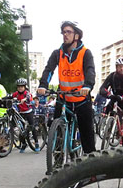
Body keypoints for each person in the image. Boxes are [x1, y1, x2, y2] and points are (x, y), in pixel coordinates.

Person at [37, 21, 96, 154]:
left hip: (81, 99)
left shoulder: (85, 53)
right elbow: (49, 70)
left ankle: (92, 169)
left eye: (68, 32)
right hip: (63, 98)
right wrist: (43, 85)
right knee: (58, 133)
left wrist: (88, 85)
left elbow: (90, 71)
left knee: (87, 136)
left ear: (76, 35)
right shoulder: (57, 53)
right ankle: (57, 166)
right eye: (63, 32)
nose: (65, 35)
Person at [99, 57, 123, 146]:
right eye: (119, 66)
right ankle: (109, 131)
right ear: (116, 67)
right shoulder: (112, 76)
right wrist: (108, 94)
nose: (121, 69)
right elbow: (102, 88)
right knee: (109, 111)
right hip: (116, 98)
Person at [12, 78, 39, 153]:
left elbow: (29, 98)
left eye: (22, 86)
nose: (20, 88)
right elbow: (10, 96)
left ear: (24, 87)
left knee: (32, 126)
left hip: (28, 112)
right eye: (19, 87)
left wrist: (24, 99)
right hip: (21, 113)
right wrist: (3, 98)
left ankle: (36, 142)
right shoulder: (16, 94)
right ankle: (24, 144)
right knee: (21, 130)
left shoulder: (27, 93)